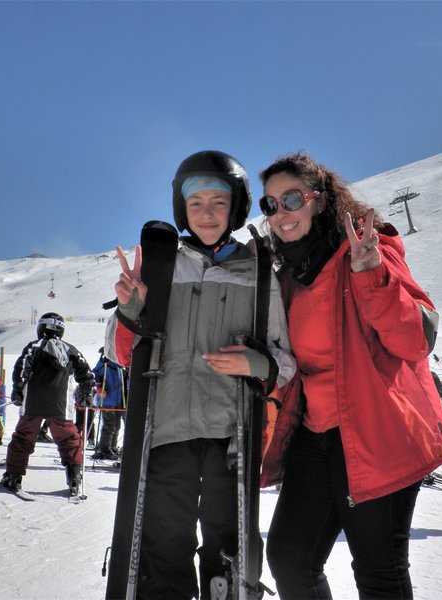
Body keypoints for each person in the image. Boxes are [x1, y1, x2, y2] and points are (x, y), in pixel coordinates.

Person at [258, 151, 442, 599]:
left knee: (378, 570)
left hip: (376, 429)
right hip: (316, 433)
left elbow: (416, 342)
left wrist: (373, 277)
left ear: (321, 200)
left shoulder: (370, 251)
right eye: (270, 205)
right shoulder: (289, 275)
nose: (281, 213)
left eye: (291, 199)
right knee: (290, 558)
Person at [110, 150, 296, 599]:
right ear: (182, 209)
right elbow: (120, 355)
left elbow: (285, 361)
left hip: (230, 438)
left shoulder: (257, 274)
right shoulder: (161, 268)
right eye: (196, 204)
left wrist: (258, 365)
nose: (207, 214)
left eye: (218, 202)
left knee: (225, 545)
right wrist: (131, 309)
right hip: (166, 433)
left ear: (235, 206)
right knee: (164, 545)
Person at [0, 312, 95, 496]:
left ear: (41, 328)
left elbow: (22, 368)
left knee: (23, 437)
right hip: (60, 403)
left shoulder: (34, 347)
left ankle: (13, 477)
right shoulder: (71, 350)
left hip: (33, 402)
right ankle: (74, 478)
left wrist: (18, 390)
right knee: (69, 439)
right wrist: (86, 393)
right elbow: (86, 374)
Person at [91, 347, 126, 460]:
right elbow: (94, 374)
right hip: (108, 400)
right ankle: (104, 448)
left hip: (119, 401)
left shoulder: (121, 365)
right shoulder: (104, 362)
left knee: (116, 425)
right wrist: (99, 387)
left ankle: (112, 446)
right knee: (109, 425)